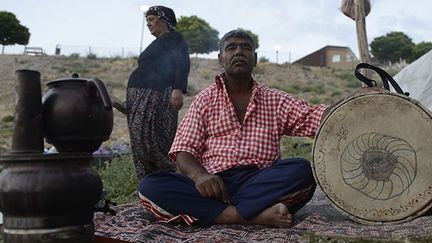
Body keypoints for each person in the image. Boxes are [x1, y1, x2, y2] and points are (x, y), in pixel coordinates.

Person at [138, 29, 368, 228]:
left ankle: (217, 213)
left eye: (246, 48)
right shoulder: (204, 100)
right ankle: (248, 216)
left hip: (259, 182)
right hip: (213, 184)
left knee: (302, 171)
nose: (239, 52)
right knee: (151, 186)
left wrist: (355, 101)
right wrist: (200, 176)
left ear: (255, 59)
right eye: (231, 48)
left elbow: (318, 118)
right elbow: (184, 151)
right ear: (220, 58)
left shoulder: (275, 100)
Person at [126, 6, 190, 180]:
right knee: (139, 141)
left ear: (164, 19)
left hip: (157, 92)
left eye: (152, 19)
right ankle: (149, 182)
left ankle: (172, 178)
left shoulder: (175, 39)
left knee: (153, 140)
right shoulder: (156, 43)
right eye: (147, 20)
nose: (148, 24)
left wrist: (178, 89)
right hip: (140, 95)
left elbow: (182, 63)